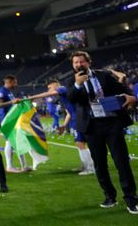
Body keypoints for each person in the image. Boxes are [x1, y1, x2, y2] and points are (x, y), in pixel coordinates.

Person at [67, 50, 137, 214]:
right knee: (100, 164)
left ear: (88, 62)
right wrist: (78, 84)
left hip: (112, 122)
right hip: (92, 127)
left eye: (81, 62)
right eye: (75, 62)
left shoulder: (104, 75)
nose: (78, 65)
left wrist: (132, 97)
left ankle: (131, 199)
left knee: (122, 162)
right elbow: (71, 99)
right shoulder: (71, 81)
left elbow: (122, 88)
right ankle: (109, 196)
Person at [46, 79, 94, 175]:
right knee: (79, 143)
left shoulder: (62, 89)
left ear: (55, 85)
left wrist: (32, 98)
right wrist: (64, 125)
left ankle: (90, 167)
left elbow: (47, 95)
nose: (49, 91)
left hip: (79, 118)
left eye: (50, 88)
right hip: (75, 119)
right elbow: (68, 113)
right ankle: (86, 165)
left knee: (80, 143)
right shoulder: (62, 96)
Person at [0, 75, 26, 172]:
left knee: (16, 141)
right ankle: (9, 166)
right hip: (6, 119)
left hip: (12, 119)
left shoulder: (8, 92)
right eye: (14, 82)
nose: (16, 84)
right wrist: (11, 102)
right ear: (9, 82)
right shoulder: (2, 91)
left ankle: (23, 166)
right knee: (10, 141)